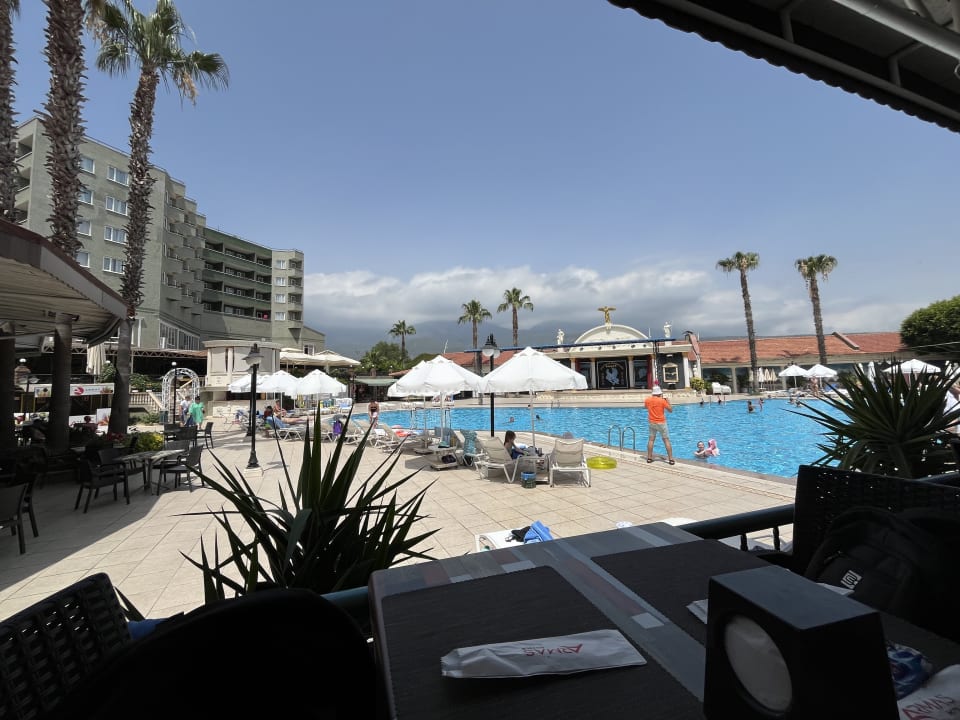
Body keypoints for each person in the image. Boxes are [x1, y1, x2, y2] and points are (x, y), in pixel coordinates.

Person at [644, 385, 674, 465]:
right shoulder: (662, 401)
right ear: (659, 393)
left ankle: (649, 458)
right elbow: (670, 410)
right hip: (661, 422)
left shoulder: (648, 400)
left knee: (651, 440)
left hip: (652, 422)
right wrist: (668, 402)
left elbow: (645, 407)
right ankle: (671, 459)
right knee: (666, 440)